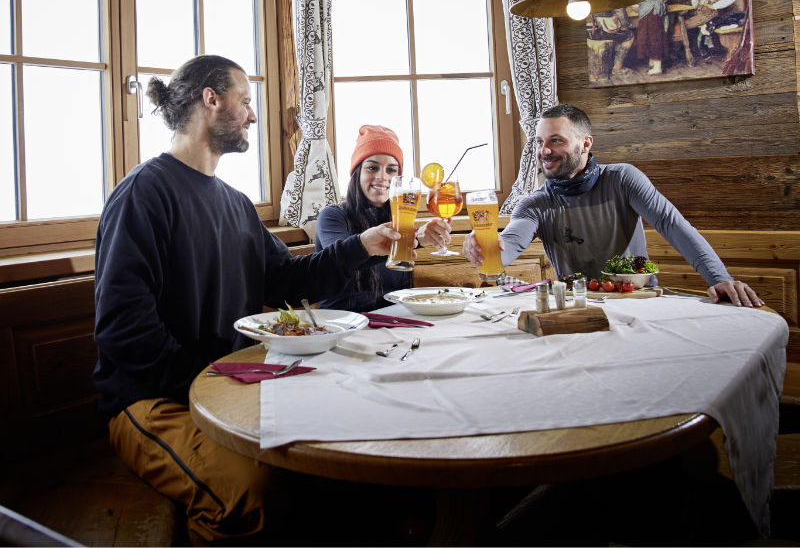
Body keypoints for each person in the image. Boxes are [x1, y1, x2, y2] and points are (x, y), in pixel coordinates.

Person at [93, 55, 403, 545]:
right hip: (150, 402)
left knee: (350, 458)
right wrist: (217, 377)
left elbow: (285, 281)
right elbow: (124, 334)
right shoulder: (142, 195)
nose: (254, 115)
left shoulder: (234, 203)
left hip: (228, 385)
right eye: (246, 101)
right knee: (249, 495)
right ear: (210, 99)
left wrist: (362, 246)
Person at [462, 103, 763, 307]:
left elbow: (672, 224)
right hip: (578, 308)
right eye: (539, 142)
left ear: (586, 143)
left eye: (556, 141)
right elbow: (508, 245)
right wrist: (484, 247)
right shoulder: (534, 202)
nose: (544, 151)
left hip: (641, 303)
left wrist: (719, 278)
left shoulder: (623, 178)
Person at [315, 125, 451, 311]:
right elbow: (343, 259)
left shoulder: (400, 219)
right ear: (357, 173)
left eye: (391, 170)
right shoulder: (332, 216)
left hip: (393, 322)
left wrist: (419, 238)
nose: (382, 177)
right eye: (372, 167)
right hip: (342, 324)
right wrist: (414, 239)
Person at [634, 0, 670, 75]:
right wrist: (660, 1)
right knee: (655, 34)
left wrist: (636, 3)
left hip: (649, 8)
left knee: (653, 36)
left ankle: (658, 67)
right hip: (660, 6)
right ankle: (652, 62)